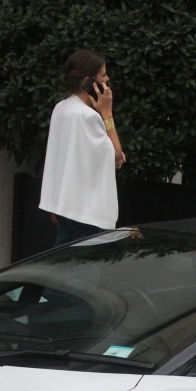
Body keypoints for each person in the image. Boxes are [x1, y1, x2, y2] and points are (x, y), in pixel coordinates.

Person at [40, 50, 127, 246]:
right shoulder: (88, 116)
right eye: (103, 74)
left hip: (65, 209)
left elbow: (58, 158)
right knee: (85, 272)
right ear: (89, 81)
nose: (108, 79)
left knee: (62, 269)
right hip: (88, 214)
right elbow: (117, 157)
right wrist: (107, 113)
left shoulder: (60, 108)